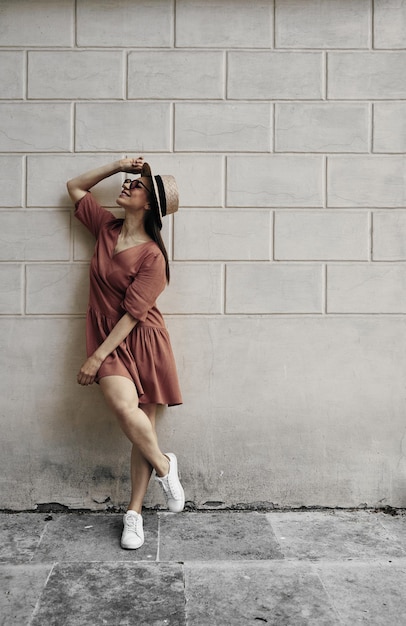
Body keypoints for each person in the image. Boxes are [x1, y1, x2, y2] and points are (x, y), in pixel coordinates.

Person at [66, 156, 184, 550]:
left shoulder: (154, 257)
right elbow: (75, 187)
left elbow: (134, 314)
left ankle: (133, 515)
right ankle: (166, 466)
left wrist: (96, 357)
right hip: (107, 335)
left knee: (140, 431)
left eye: (136, 186)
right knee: (123, 408)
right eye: (129, 182)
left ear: (149, 204)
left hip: (142, 339)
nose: (129, 186)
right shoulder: (106, 228)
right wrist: (117, 166)